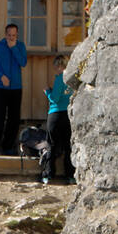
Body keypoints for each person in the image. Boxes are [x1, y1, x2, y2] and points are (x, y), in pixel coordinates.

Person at [0, 22, 27, 154]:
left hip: (16, 88)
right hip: (1, 88)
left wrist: (14, 48)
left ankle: (8, 147)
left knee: (14, 119)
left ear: (17, 35)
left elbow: (23, 62)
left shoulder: (20, 46)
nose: (11, 37)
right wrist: (1, 76)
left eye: (13, 35)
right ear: (5, 34)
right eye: (9, 35)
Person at [43, 55, 74, 184]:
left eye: (56, 66)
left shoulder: (60, 79)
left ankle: (48, 175)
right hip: (68, 114)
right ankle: (70, 175)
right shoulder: (72, 79)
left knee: (52, 145)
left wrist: (47, 92)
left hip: (55, 114)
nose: (55, 69)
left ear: (60, 66)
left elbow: (55, 98)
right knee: (68, 146)